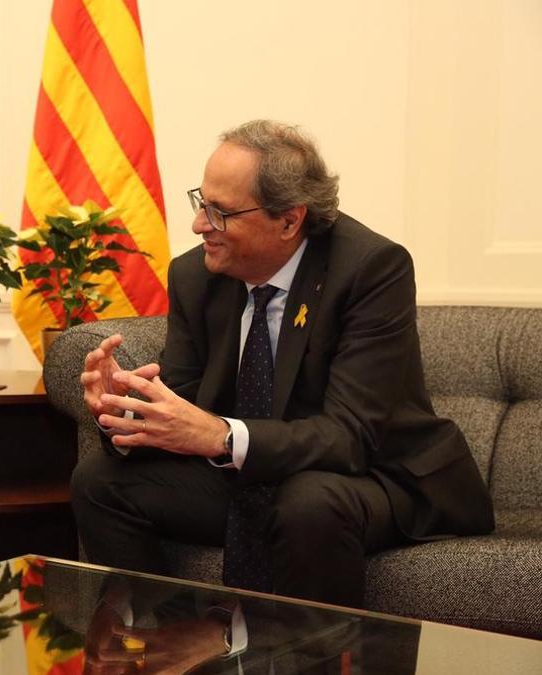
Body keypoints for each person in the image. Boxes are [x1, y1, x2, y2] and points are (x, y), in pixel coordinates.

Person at [70, 120, 493, 609]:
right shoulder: (197, 275)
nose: (199, 225)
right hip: (258, 473)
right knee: (100, 482)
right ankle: (174, 646)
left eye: (220, 212)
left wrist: (222, 437)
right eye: (200, 202)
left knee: (309, 503)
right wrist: (123, 411)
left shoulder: (370, 269)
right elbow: (183, 404)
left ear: (290, 220)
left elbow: (350, 435)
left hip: (376, 473)